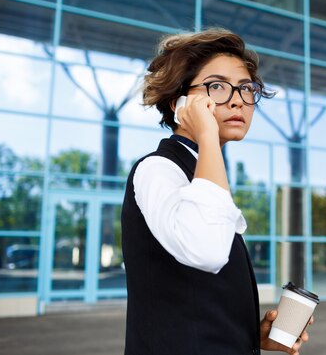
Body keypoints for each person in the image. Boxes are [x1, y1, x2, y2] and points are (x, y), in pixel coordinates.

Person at [121, 28, 312, 355]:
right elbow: (207, 251)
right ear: (178, 102)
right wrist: (207, 135)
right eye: (217, 87)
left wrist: (250, 336)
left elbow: (195, 301)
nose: (238, 99)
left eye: (246, 88)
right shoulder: (158, 169)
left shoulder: (204, 174)